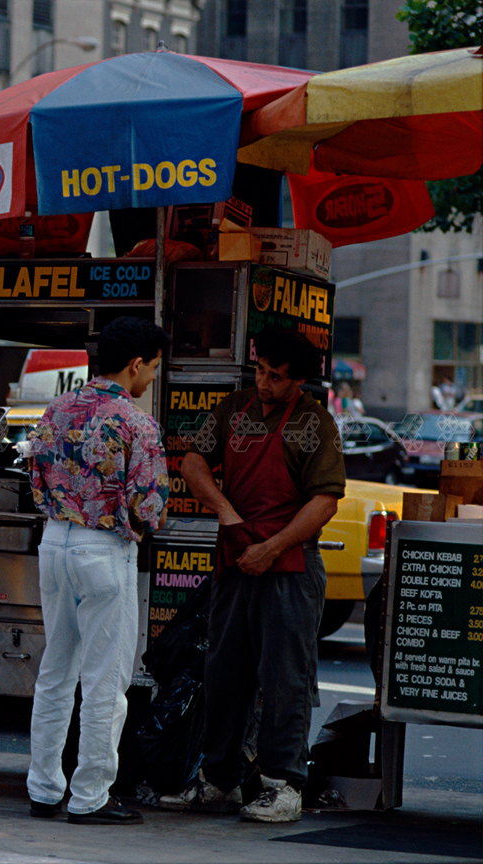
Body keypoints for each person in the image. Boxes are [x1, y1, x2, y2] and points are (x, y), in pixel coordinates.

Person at [159, 329, 344, 823]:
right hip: (236, 559)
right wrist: (226, 513)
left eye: (276, 377)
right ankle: (218, 779)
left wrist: (272, 547)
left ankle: (284, 786)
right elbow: (193, 462)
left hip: (290, 565)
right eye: (261, 370)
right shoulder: (234, 408)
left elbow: (325, 501)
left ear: (297, 380)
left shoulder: (315, 422)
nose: (264, 382)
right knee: (224, 673)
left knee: (285, 678)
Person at [24, 316, 170, 826]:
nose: (152, 376)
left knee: (56, 671)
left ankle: (43, 788)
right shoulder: (135, 422)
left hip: (54, 542)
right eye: (153, 367)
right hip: (104, 550)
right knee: (105, 679)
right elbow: (148, 505)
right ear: (135, 364)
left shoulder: (58, 408)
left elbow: (35, 480)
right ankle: (89, 795)